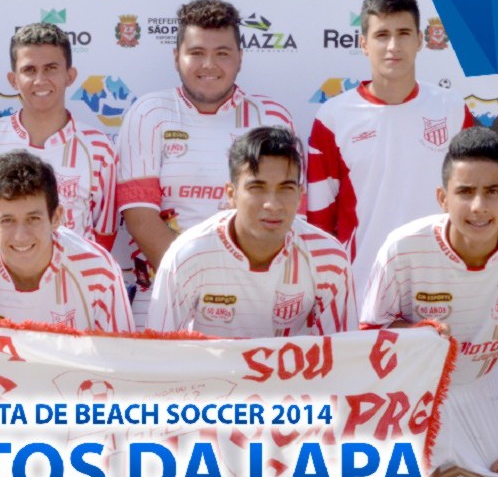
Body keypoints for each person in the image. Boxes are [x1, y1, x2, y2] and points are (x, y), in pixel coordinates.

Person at [361, 127, 498, 477]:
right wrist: (417, 339)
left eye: (492, 192)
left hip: (484, 389)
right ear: (443, 198)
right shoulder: (402, 248)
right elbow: (369, 340)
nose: (479, 206)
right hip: (417, 401)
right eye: (465, 192)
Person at [116, 0, 294, 328]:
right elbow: (140, 218)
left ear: (240, 58)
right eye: (196, 53)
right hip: (162, 298)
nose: (208, 65)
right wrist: (202, 286)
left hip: (251, 301)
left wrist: (232, 290)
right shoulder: (149, 113)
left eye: (222, 53)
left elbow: (286, 217)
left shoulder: (271, 117)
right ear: (176, 57)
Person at [307, 0, 474, 297]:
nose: (393, 46)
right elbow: (319, 219)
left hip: (439, 280)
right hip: (360, 285)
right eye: (382, 35)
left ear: (420, 40)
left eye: (403, 33)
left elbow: (474, 196)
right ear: (363, 44)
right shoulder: (333, 118)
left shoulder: (451, 109)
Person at [147, 126, 355, 336]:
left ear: (301, 195)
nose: (272, 204)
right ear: (231, 194)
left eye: (286, 188)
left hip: (295, 370)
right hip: (210, 369)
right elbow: (160, 353)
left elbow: (343, 354)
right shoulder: (187, 254)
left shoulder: (329, 258)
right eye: (257, 188)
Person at [0, 150, 133, 333]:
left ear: (56, 218)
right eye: (7, 221)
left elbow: (121, 361)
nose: (21, 235)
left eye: (33, 219)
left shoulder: (99, 272)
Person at [0, 22, 117, 250]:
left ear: (70, 76)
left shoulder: (98, 147)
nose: (40, 80)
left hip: (70, 280)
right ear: (13, 79)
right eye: (29, 70)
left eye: (50, 68)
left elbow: (104, 236)